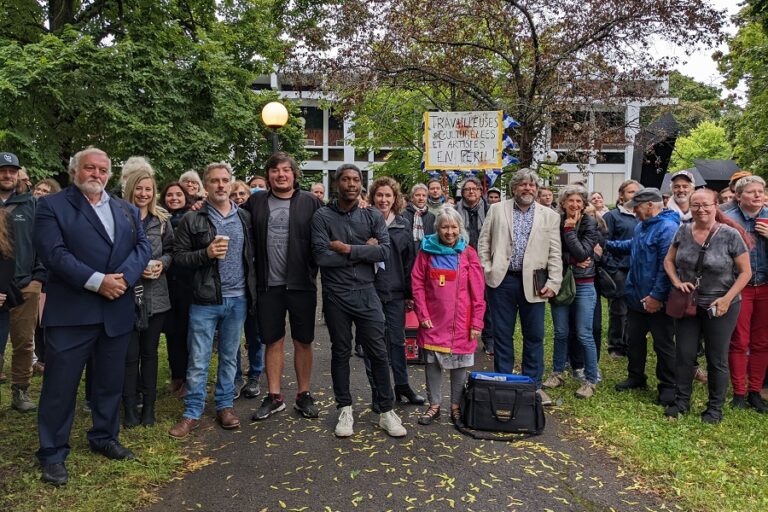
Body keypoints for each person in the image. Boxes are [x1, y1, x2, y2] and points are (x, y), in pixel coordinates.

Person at [34, 147, 151, 486]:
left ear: (110, 174)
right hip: (72, 313)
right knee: (60, 387)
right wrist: (98, 282)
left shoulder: (126, 209)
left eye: (102, 169)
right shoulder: (52, 206)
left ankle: (104, 436)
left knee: (109, 382)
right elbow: (54, 254)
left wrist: (124, 279)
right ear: (75, 171)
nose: (96, 174)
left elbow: (143, 247)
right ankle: (52, 452)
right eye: (89, 168)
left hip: (116, 311)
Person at [311, 163, 406, 438]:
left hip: (367, 291)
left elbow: (384, 252)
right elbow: (321, 256)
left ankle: (386, 410)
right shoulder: (322, 216)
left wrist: (347, 248)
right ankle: (344, 408)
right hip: (336, 294)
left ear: (361, 184)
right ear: (336, 183)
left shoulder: (372, 215)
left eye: (356, 179)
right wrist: (365, 250)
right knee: (340, 351)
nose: (351, 184)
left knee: (378, 352)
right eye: (346, 179)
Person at [168, 162, 256, 439]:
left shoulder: (244, 217)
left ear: (231, 183)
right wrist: (205, 254)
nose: (220, 185)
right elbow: (179, 258)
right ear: (205, 186)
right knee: (198, 359)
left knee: (230, 357)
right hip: (204, 299)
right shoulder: (192, 219)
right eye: (215, 181)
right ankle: (192, 412)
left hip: (238, 298)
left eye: (225, 180)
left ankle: (224, 406)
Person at [244, 153, 322, 421]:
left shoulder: (311, 202)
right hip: (268, 284)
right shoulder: (255, 202)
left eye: (286, 170)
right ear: (268, 175)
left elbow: (331, 227)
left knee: (303, 340)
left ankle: (303, 394)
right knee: (272, 340)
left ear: (294, 174)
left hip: (301, 283)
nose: (281, 174)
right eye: (275, 170)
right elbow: (232, 218)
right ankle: (274, 396)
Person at [664, 188, 751, 423]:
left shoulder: (730, 234)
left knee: (716, 358)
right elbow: (669, 260)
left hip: (720, 304)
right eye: (696, 205)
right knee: (684, 354)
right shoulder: (683, 230)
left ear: (715, 206)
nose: (701, 209)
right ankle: (681, 402)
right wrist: (676, 282)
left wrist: (727, 299)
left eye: (706, 205)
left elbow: (745, 272)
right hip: (689, 302)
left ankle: (714, 408)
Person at [477, 168, 562, 406]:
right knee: (502, 334)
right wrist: (487, 269)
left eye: (532, 185)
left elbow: (555, 252)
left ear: (537, 189)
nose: (528, 188)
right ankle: (504, 384)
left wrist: (554, 282)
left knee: (534, 335)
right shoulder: (497, 209)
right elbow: (483, 242)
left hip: (535, 282)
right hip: (502, 281)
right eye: (523, 184)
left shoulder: (549, 216)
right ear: (514, 188)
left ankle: (533, 386)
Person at [605, 188, 680, 405]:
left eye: (636, 207)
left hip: (657, 300)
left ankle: (668, 386)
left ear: (650, 205)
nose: (634, 211)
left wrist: (656, 296)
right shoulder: (641, 226)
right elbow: (632, 246)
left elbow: (666, 266)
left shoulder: (667, 228)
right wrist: (606, 244)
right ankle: (636, 376)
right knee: (634, 340)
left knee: (663, 344)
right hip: (635, 296)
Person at [412, 207, 485, 424]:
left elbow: (478, 291)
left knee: (460, 364)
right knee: (432, 364)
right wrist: (422, 314)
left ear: (460, 228)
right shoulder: (426, 252)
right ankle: (434, 406)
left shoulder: (468, 253)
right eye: (445, 227)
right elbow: (417, 284)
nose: (450, 232)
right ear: (437, 229)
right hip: (433, 320)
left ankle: (456, 406)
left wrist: (477, 322)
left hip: (462, 321)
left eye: (454, 227)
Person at [121, 160, 174, 427]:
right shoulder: (119, 218)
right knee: (129, 357)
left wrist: (162, 264)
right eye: (139, 188)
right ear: (131, 189)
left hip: (156, 296)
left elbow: (171, 251)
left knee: (150, 354)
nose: (144, 193)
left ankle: (149, 408)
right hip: (126, 295)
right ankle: (130, 408)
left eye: (148, 189)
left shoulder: (162, 220)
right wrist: (133, 268)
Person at [366, 177, 424, 410]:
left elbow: (409, 261)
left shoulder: (402, 224)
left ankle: (402, 385)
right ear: (373, 197)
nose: (383, 199)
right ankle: (379, 392)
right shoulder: (364, 221)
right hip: (369, 291)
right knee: (373, 344)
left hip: (396, 291)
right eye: (379, 195)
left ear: (395, 198)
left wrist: (410, 294)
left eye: (388, 195)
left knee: (398, 341)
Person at [543, 186, 601, 399]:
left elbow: (584, 252)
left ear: (584, 204)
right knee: (560, 332)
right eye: (571, 201)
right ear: (563, 203)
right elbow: (551, 252)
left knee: (584, 333)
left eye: (579, 201)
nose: (575, 205)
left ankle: (591, 380)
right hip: (560, 282)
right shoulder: (555, 221)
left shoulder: (589, 223)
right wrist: (573, 259)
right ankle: (557, 372)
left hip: (584, 283)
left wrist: (569, 231)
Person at [0, 152, 46, 412]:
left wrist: (38, 277)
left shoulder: (32, 204)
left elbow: (43, 241)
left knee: (24, 341)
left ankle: (20, 391)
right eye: (2, 170)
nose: (7, 175)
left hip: (25, 283)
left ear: (18, 174)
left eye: (12, 170)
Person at [724, 175, 768, 412]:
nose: (758, 195)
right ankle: (739, 392)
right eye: (751, 192)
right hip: (740, 287)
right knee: (739, 341)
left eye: (761, 191)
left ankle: (755, 391)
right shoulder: (728, 220)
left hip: (766, 286)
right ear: (739, 196)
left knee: (762, 342)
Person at [160, 182, 193, 397]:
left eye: (178, 194)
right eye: (169, 195)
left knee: (189, 332)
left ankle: (190, 379)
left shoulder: (193, 216)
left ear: (185, 197)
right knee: (172, 333)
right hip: (167, 283)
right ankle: (177, 375)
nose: (174, 198)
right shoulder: (159, 218)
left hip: (188, 283)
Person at [602, 179, 641, 358]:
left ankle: (631, 343)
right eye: (631, 192)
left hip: (638, 270)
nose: (634, 195)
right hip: (619, 268)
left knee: (635, 309)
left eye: (637, 192)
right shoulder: (612, 216)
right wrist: (612, 267)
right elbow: (603, 242)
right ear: (621, 195)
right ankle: (616, 346)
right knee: (619, 309)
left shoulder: (643, 215)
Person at [401, 183, 435, 254]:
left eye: (424, 195)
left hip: (426, 255)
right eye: (417, 195)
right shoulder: (403, 215)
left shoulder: (431, 217)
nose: (421, 198)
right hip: (408, 256)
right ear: (412, 198)